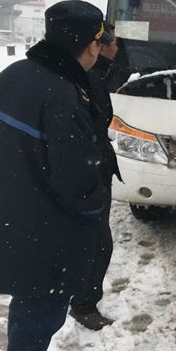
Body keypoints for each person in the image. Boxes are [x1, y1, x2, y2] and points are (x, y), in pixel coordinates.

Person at [0, 0, 109, 351]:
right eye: (98, 41)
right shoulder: (62, 92)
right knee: (41, 306)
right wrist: (96, 203)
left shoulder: (15, 75)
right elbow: (75, 174)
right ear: (86, 44)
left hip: (19, 207)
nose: (100, 49)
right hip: (48, 221)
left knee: (33, 301)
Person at [69, 22, 122, 331]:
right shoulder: (88, 79)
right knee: (98, 242)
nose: (119, 48)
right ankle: (83, 304)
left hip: (96, 166)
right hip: (91, 170)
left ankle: (81, 298)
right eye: (115, 43)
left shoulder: (96, 75)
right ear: (100, 46)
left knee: (96, 239)